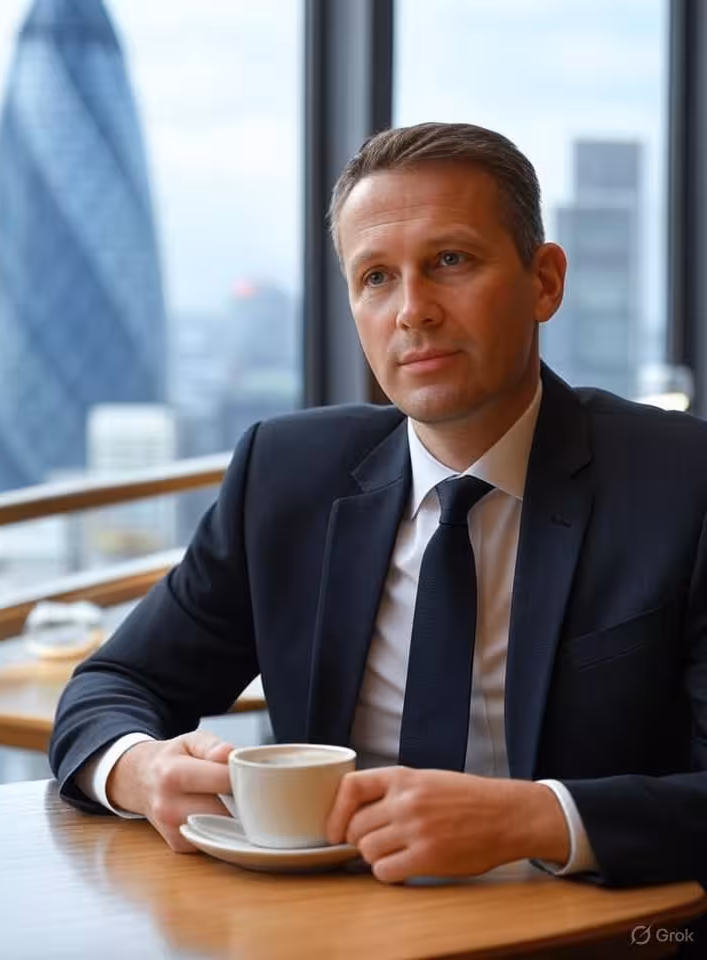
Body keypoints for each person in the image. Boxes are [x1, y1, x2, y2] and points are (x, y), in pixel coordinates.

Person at [50, 122, 707, 893]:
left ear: (545, 281)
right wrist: (138, 767)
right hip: (330, 928)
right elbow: (113, 685)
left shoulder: (681, 483)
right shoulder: (285, 475)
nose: (412, 310)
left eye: (450, 262)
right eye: (376, 278)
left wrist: (533, 819)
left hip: (595, 932)